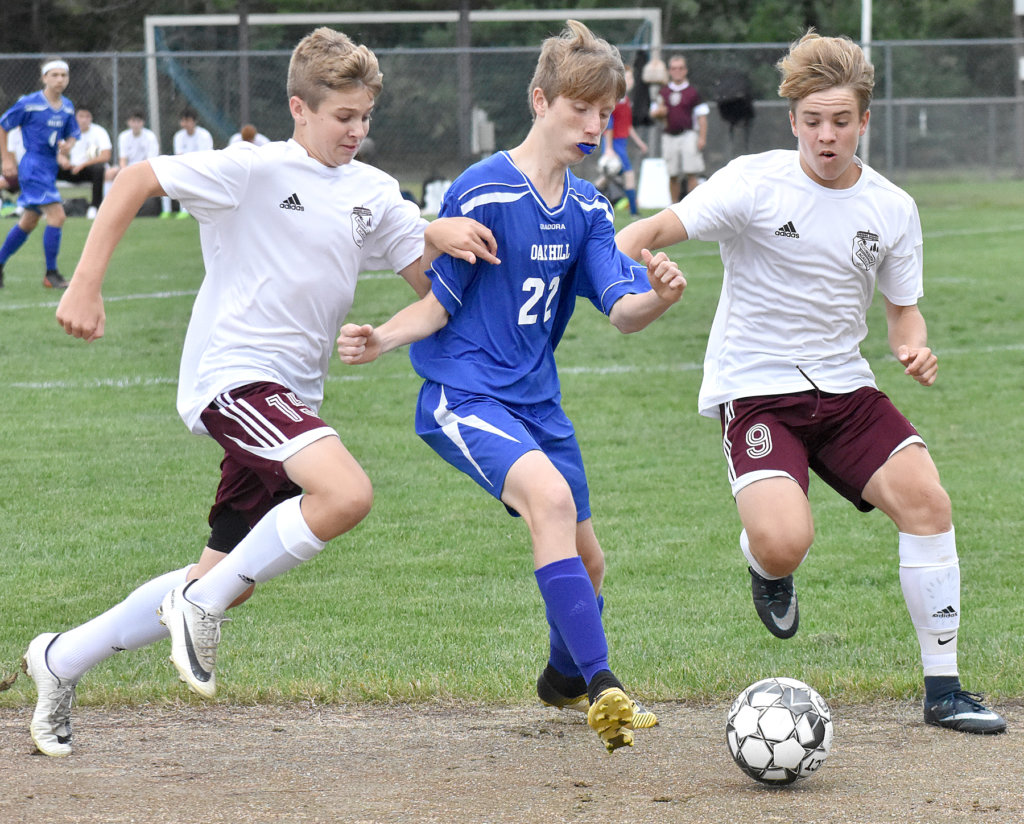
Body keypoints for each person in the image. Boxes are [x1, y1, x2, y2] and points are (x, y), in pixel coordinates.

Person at [17, 26, 497, 758]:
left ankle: (61, 657)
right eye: (343, 117)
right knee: (345, 493)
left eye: (366, 117)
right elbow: (136, 180)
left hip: (292, 402)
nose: (357, 131)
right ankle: (195, 605)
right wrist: (85, 284)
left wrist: (448, 242)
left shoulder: (372, 191)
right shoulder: (254, 168)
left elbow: (431, 286)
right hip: (235, 378)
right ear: (299, 108)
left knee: (228, 577)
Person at [617, 30, 1006, 736]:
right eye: (814, 121)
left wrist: (914, 349)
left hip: (846, 387)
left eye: (842, 121)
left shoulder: (892, 207)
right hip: (757, 387)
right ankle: (765, 565)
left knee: (928, 502)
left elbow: (903, 314)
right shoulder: (752, 182)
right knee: (783, 542)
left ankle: (945, 690)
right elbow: (640, 234)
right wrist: (641, 274)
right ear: (792, 120)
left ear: (865, 121)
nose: (828, 137)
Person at [337, 20, 686, 754]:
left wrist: (659, 296)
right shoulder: (485, 189)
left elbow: (623, 313)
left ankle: (562, 678)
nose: (592, 127)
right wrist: (383, 337)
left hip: (538, 404)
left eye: (603, 113)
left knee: (590, 562)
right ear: (540, 100)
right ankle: (604, 686)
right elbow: (440, 301)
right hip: (463, 395)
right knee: (549, 503)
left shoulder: (590, 209)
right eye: (579, 109)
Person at [0, 58, 80, 289]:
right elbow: (3, 126)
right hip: (33, 166)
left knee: (28, 221)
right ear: (44, 78)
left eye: (63, 75)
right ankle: (51, 274)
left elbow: (72, 134)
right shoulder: (29, 103)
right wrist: (6, 159)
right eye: (54, 75)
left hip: (49, 166)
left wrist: (67, 147)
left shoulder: (67, 106)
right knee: (57, 216)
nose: (60, 79)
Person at [650, 54, 708, 202]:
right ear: (669, 71)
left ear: (685, 70)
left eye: (680, 68)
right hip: (669, 135)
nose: (677, 71)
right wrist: (659, 113)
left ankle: (694, 205)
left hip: (688, 134)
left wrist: (702, 138)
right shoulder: (663, 92)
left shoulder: (693, 92)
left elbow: (702, 116)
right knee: (673, 174)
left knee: (691, 172)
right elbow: (654, 112)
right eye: (674, 68)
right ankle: (674, 205)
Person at [598, 65, 647, 217]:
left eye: (632, 78)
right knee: (629, 174)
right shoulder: (615, 100)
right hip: (614, 144)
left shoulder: (626, 100)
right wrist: (609, 148)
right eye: (627, 78)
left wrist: (640, 143)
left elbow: (628, 126)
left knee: (607, 177)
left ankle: (587, 197)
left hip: (620, 143)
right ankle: (634, 212)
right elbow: (609, 125)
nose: (630, 81)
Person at [57, 106, 112, 219]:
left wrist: (82, 165)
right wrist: (63, 161)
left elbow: (106, 155)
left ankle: (94, 207)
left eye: (87, 116)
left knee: (99, 168)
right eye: (81, 116)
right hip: (71, 170)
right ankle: (45, 204)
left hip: (89, 170)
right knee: (47, 167)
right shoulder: (67, 131)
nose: (84, 120)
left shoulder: (99, 131)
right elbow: (58, 153)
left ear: (91, 118)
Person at [164, 108, 214, 218]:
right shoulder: (178, 136)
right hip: (184, 168)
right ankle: (168, 211)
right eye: (183, 120)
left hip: (202, 169)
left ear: (194, 121)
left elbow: (206, 157)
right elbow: (179, 156)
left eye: (187, 120)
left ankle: (192, 210)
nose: (185, 124)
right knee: (165, 178)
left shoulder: (204, 135)